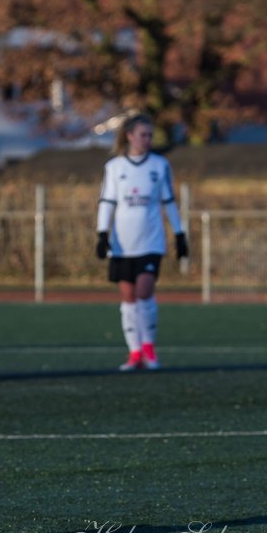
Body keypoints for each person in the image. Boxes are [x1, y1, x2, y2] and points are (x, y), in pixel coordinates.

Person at [95, 114, 189, 371]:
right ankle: (134, 352)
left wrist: (179, 234)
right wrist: (102, 233)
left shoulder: (159, 165)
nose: (147, 139)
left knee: (144, 291)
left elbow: (168, 201)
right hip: (122, 243)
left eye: (150, 135)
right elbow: (107, 202)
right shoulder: (115, 167)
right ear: (129, 136)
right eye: (143, 134)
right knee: (128, 298)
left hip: (151, 240)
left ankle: (149, 347)